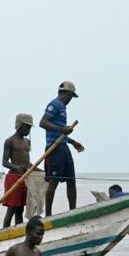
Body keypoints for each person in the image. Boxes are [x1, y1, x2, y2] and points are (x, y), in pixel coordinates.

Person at [39, 81, 85, 217]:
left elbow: (61, 132)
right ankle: (48, 214)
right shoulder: (54, 104)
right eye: (71, 96)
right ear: (66, 94)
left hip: (63, 146)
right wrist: (62, 129)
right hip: (54, 148)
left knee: (71, 180)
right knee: (54, 180)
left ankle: (73, 212)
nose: (70, 100)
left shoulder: (63, 108)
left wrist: (73, 142)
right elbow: (43, 122)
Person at [2, 114, 34, 227]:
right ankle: (4, 232)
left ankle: (18, 232)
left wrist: (38, 170)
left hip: (25, 178)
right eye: (27, 127)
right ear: (20, 125)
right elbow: (4, 162)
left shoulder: (27, 142)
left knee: (20, 209)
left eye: (30, 127)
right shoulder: (9, 141)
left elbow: (28, 163)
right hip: (13, 178)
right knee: (12, 208)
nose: (28, 130)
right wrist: (17, 167)